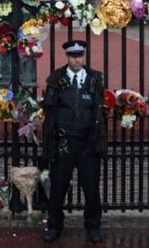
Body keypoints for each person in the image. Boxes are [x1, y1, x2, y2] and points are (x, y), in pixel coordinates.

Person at [41, 40, 106, 244]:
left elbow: (100, 111)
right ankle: (54, 225)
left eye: (80, 56)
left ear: (84, 56)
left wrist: (99, 140)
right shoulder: (56, 79)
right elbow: (49, 111)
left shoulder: (94, 78)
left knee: (91, 187)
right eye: (73, 56)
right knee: (58, 186)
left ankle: (93, 225)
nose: (77, 60)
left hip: (88, 143)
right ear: (67, 57)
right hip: (64, 142)